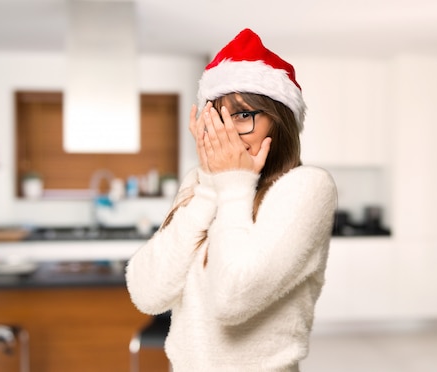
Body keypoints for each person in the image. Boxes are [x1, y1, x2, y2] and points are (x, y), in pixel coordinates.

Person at [126, 28, 338, 371]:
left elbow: (233, 299)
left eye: (242, 115)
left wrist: (233, 183)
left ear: (278, 122)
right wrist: (209, 188)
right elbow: (147, 293)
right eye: (217, 115)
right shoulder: (199, 185)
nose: (226, 131)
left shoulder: (307, 187)